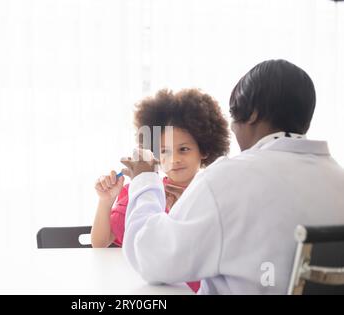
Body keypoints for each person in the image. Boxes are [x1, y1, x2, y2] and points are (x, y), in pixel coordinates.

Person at [120, 59, 344, 294]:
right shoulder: (338, 179)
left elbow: (151, 257)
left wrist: (145, 180)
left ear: (252, 114)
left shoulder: (227, 178)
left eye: (234, 116)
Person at [91, 88, 230, 292]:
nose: (174, 159)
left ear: (205, 150)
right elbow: (100, 242)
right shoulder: (142, 192)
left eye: (184, 149)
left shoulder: (214, 194)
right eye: (164, 151)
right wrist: (106, 200)